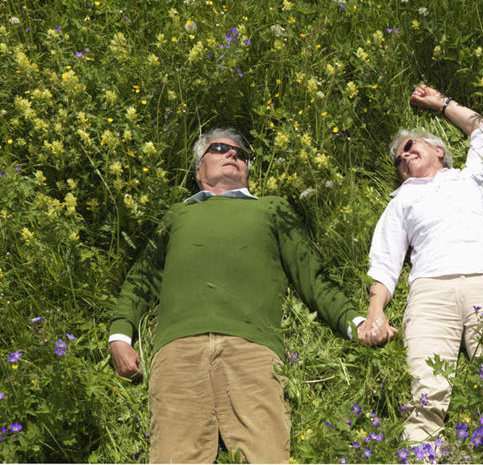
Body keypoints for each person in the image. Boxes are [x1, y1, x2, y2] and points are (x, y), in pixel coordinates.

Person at [108, 127, 381, 464]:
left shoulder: (272, 209)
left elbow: (312, 277)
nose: (233, 154)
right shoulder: (177, 215)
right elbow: (141, 277)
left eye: (241, 153)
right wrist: (120, 336)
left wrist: (355, 322)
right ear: (198, 170)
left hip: (253, 348)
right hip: (178, 349)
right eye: (220, 148)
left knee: (267, 456)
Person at [359, 84, 483, 443]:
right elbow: (385, 263)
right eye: (398, 161)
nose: (403, 158)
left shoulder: (469, 179)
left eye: (409, 148)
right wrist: (375, 312)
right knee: (426, 397)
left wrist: (442, 103)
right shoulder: (400, 201)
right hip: (430, 294)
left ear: (438, 150)